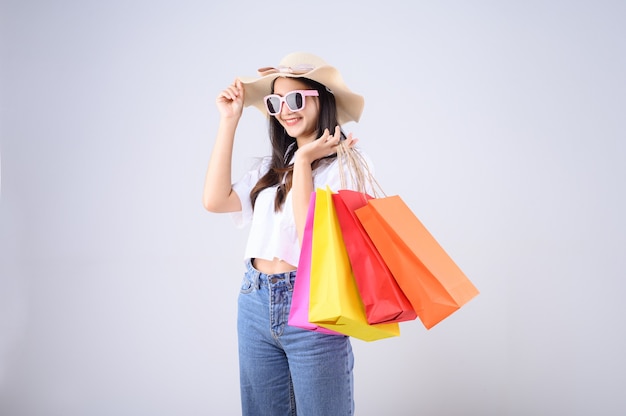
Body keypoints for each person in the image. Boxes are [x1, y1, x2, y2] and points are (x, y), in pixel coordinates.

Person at [202, 52, 368, 416]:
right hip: (254, 299)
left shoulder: (346, 165)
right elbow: (214, 200)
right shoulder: (271, 167)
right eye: (275, 102)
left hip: (312, 304)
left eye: (294, 99)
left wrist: (306, 161)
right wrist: (230, 120)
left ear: (321, 99)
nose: (284, 111)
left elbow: (313, 234)